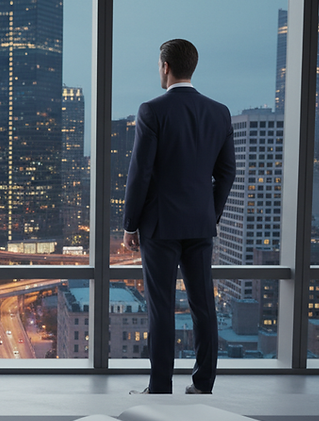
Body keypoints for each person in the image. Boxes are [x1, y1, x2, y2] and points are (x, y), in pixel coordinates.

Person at [122, 39, 235, 394]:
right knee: (204, 306)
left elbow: (140, 174)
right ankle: (203, 384)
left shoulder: (152, 111)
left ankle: (160, 387)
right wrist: (210, 214)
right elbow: (227, 173)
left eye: (159, 65)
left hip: (160, 226)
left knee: (161, 308)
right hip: (200, 225)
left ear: (165, 66)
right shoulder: (220, 112)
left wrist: (129, 224)